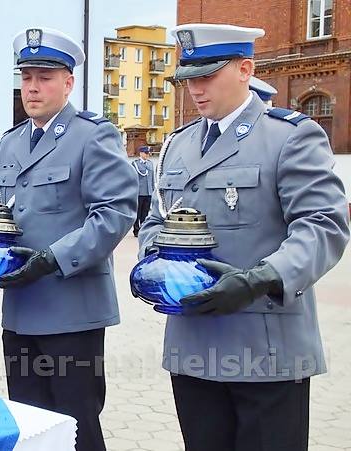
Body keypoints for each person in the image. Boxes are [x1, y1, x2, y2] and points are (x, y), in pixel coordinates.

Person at [139, 23, 349, 451]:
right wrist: (153, 263)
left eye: (207, 75)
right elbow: (156, 220)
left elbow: (323, 224)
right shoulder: (178, 144)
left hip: (266, 349)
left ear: (245, 69)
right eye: (188, 78)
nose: (195, 89)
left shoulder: (288, 136)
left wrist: (261, 278)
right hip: (193, 345)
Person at [0, 27, 137, 451]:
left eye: (44, 77)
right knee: (31, 425)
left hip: (72, 311)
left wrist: (52, 259)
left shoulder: (92, 135)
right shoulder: (10, 143)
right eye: (26, 77)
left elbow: (114, 213)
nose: (32, 87)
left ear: (69, 82)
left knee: (77, 428)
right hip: (20, 309)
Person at [131, 146, 155, 237]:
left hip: (148, 192)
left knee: (145, 212)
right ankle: (136, 230)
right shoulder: (135, 164)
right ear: (141, 153)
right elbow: (133, 179)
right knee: (138, 212)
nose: (147, 155)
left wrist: (153, 190)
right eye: (146, 153)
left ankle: (143, 228)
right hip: (139, 192)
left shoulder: (150, 164)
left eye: (148, 153)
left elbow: (152, 179)